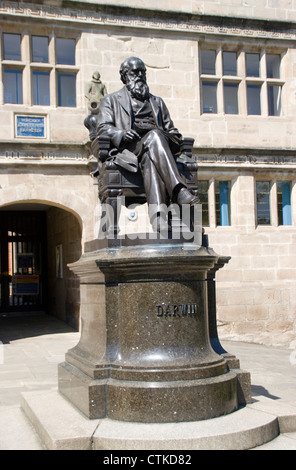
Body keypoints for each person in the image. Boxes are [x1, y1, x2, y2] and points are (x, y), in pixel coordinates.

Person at [97, 57, 199, 231]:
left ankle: (159, 219)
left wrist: (170, 137)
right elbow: (103, 128)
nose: (139, 75)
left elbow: (172, 130)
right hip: (128, 150)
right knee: (155, 138)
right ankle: (178, 191)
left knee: (153, 147)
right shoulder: (111, 100)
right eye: (134, 72)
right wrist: (121, 134)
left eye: (142, 72)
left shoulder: (157, 102)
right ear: (124, 76)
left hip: (154, 150)